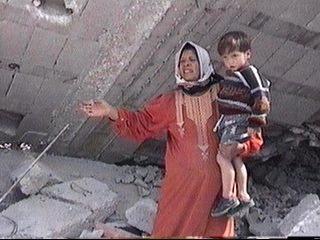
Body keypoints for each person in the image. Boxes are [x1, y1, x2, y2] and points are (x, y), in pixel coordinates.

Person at [81, 41, 237, 238]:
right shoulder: (170, 102)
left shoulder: (223, 94)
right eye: (182, 62)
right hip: (181, 190)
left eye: (192, 60)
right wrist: (110, 111)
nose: (186, 65)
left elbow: (244, 124)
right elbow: (141, 124)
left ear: (204, 64)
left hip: (217, 190)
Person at [211, 31, 271, 218]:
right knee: (236, 159)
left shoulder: (248, 72)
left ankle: (228, 196)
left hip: (237, 122)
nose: (230, 62)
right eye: (226, 58)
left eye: (235, 56)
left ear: (247, 54)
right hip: (230, 121)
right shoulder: (234, 74)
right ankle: (243, 195)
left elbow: (261, 96)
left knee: (222, 158)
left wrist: (256, 121)